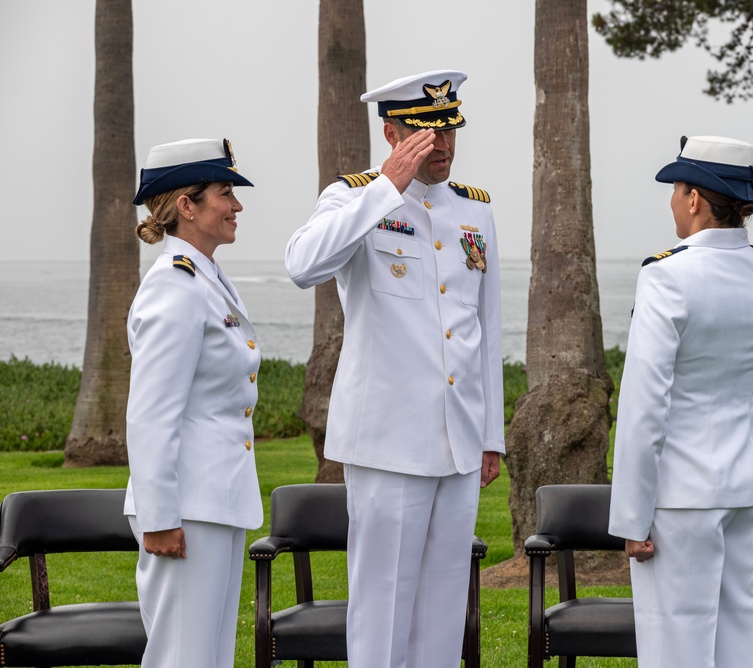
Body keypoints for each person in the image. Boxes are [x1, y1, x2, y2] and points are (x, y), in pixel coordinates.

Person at [284, 69, 503, 667]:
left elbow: (485, 332)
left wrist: (490, 437)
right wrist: (385, 187)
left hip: (458, 442)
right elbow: (303, 265)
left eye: (451, 130)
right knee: (382, 603)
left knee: (441, 606)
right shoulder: (353, 198)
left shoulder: (474, 212)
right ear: (392, 133)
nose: (445, 146)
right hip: (386, 443)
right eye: (429, 134)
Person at [608, 136, 753, 667]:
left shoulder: (667, 274)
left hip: (680, 493)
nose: (671, 200)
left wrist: (632, 516)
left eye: (676, 189)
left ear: (694, 198)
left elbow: (644, 406)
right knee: (740, 636)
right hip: (748, 483)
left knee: (676, 645)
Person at [124, 138, 261, 667]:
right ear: (187, 205)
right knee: (182, 657)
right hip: (185, 507)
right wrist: (159, 517)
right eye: (225, 193)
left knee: (209, 658)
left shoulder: (204, 278)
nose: (236, 205)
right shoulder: (174, 287)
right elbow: (152, 413)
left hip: (214, 502)